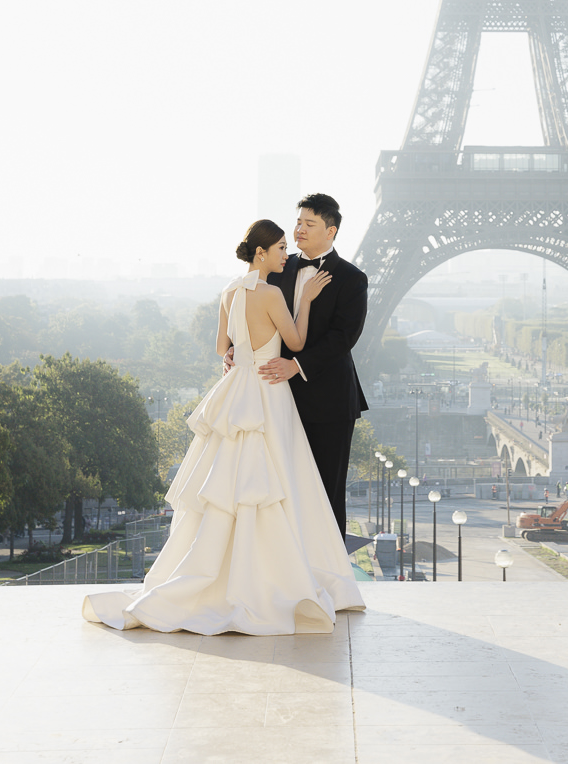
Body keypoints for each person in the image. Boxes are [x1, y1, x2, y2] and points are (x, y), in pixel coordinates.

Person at [83, 219, 363, 635]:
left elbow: (222, 348)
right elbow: (298, 343)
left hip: (236, 390)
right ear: (262, 253)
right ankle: (273, 575)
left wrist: (238, 355)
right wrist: (304, 300)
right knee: (276, 482)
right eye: (281, 248)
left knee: (227, 485)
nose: (287, 255)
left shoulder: (230, 291)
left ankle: (218, 576)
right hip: (269, 393)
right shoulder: (271, 293)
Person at [226, 192, 369, 538]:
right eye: (298, 222)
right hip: (273, 398)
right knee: (276, 490)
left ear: (331, 231)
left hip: (328, 403)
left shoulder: (352, 279)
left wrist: (297, 365)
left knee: (325, 492)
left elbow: (343, 337)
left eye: (309, 224)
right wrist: (234, 348)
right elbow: (247, 309)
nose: (299, 230)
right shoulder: (275, 266)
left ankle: (330, 576)